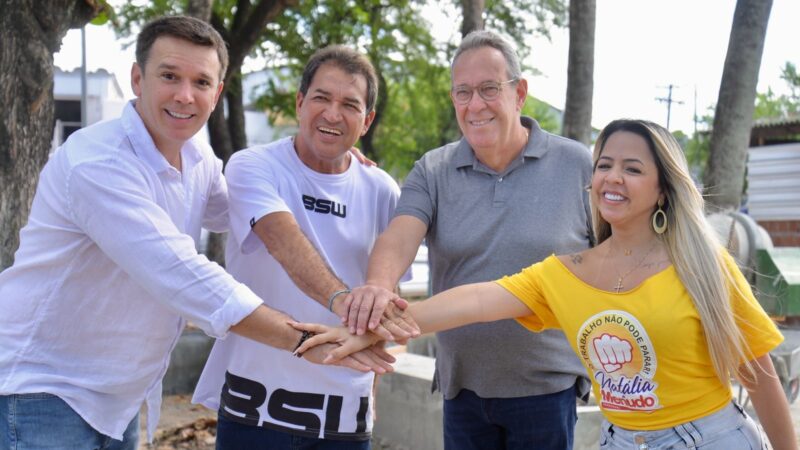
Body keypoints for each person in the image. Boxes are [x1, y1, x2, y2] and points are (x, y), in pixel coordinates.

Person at [0, 16, 392, 450]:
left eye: (201, 82)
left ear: (217, 93)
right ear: (137, 78)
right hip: (43, 390)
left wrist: (328, 156)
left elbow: (253, 213)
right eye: (169, 76)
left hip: (119, 401)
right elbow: (184, 276)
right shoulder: (99, 163)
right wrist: (309, 341)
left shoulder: (199, 161)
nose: (185, 96)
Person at [302, 119, 798, 449]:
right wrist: (371, 331)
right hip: (622, 438)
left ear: (663, 188)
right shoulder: (566, 272)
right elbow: (474, 301)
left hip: (711, 438)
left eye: (632, 168)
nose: (612, 178)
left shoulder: (701, 264)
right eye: (604, 165)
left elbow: (760, 372)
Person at [341, 30, 593, 449]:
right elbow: (401, 235)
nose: (475, 105)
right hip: (463, 391)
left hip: (547, 391)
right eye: (463, 92)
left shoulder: (577, 165)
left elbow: (612, 257)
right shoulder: (433, 170)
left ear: (520, 92)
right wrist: (378, 287)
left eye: (489, 89)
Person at [191, 45, 414, 450]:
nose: (332, 114)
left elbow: (389, 299)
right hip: (255, 406)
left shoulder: (382, 190)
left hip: (344, 413)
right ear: (299, 103)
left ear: (367, 121)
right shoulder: (253, 165)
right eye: (321, 98)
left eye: (350, 105)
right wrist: (347, 302)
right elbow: (282, 240)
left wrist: (372, 389)